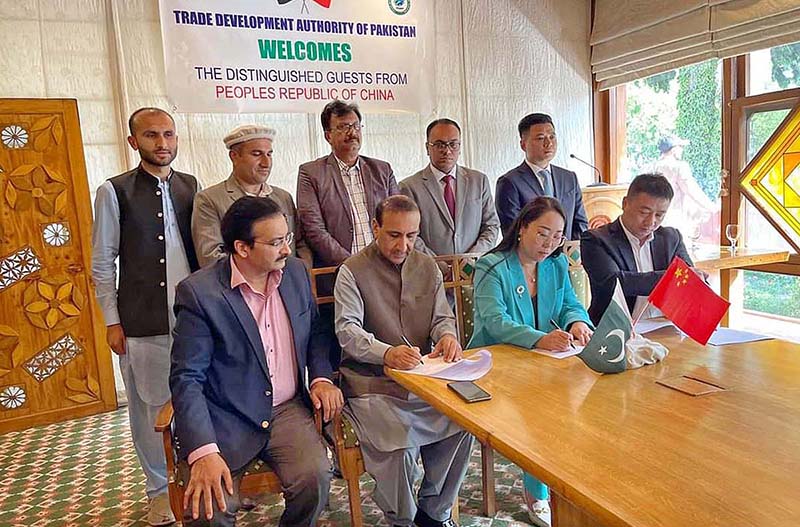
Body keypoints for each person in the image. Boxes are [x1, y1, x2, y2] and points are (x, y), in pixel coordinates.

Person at [170, 196, 343, 527]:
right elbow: (187, 378)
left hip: (285, 410)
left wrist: (321, 378)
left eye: (287, 239)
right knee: (210, 508)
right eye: (276, 242)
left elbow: (316, 332)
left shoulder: (294, 273)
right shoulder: (200, 293)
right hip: (225, 415)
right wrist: (204, 451)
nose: (286, 250)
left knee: (315, 477)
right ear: (242, 248)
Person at [334, 195, 472, 527]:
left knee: (465, 423)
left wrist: (447, 336)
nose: (404, 245)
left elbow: (441, 318)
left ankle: (433, 513)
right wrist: (386, 352)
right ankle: (404, 519)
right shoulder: (351, 271)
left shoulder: (427, 267)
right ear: (375, 228)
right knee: (398, 442)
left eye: (411, 236)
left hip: (424, 379)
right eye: (395, 235)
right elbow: (347, 330)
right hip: (373, 383)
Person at [91, 107, 199, 526]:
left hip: (191, 319)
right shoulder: (113, 191)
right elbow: (102, 263)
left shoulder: (191, 186)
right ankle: (159, 491)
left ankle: (204, 477)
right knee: (150, 410)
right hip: (141, 321)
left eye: (169, 134)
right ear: (134, 141)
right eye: (152, 135)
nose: (163, 143)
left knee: (199, 399)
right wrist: (112, 321)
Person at [468, 196, 593, 527]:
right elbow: (495, 322)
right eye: (542, 233)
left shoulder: (555, 264)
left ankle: (574, 480)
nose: (549, 244)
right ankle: (539, 491)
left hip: (545, 360)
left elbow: (569, 304)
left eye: (557, 236)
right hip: (495, 362)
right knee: (544, 406)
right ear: (522, 228)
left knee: (588, 395)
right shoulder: (491, 266)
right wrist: (539, 339)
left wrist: (577, 322)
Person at [297, 99, 399, 366]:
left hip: (386, 271)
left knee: (389, 345)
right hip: (338, 274)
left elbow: (398, 220)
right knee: (343, 351)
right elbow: (313, 228)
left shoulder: (382, 169)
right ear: (328, 135)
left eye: (356, 126)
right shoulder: (311, 173)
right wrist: (353, 266)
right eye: (343, 127)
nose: (352, 133)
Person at [580, 173, 703, 325]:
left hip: (666, 327)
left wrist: (696, 279)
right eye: (644, 212)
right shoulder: (596, 239)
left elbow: (688, 281)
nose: (651, 222)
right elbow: (614, 283)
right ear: (625, 203)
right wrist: (672, 278)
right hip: (615, 332)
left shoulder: (671, 238)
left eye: (659, 215)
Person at [192, 124, 310, 268]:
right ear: (234, 156)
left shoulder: (283, 197)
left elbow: (300, 243)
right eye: (256, 154)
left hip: (285, 284)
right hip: (237, 288)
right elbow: (211, 257)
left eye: (269, 154)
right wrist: (261, 274)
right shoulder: (209, 200)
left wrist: (301, 273)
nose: (266, 163)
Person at [399, 118, 500, 257]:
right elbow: (409, 234)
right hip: (429, 271)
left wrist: (472, 258)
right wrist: (437, 263)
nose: (447, 151)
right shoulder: (409, 187)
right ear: (427, 148)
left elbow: (491, 226)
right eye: (439, 145)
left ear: (460, 146)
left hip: (474, 268)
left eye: (453, 144)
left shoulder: (479, 181)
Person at [495, 113, 588, 239]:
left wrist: (571, 254)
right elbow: (512, 231)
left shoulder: (569, 178)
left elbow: (580, 224)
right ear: (523, 145)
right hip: (530, 257)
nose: (548, 143)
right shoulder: (510, 182)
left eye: (552, 137)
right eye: (540, 138)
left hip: (567, 256)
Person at [650, 134, 718, 243]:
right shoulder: (678, 167)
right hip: (674, 220)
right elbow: (692, 190)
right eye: (680, 147)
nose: (682, 150)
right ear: (673, 149)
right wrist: (712, 208)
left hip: (654, 221)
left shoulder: (653, 166)